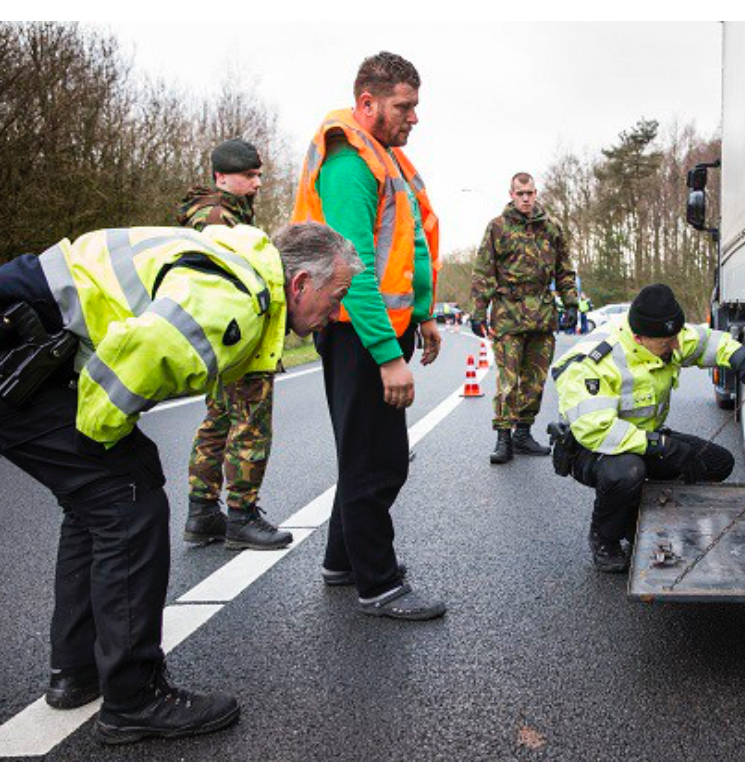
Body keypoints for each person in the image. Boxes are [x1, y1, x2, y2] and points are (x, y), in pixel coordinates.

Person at [0, 221, 361, 744]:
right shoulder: (232, 300)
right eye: (336, 295)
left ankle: (77, 672)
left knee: (96, 498)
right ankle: (134, 698)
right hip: (8, 347)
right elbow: (134, 360)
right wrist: (104, 446)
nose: (336, 311)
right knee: (125, 498)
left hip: (13, 331)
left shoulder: (242, 270)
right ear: (299, 283)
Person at [291, 51, 446, 620]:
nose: (414, 117)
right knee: (377, 462)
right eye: (404, 106)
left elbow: (412, 247)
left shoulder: (386, 160)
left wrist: (425, 314)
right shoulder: (350, 162)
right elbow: (349, 265)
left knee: (366, 455)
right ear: (368, 103)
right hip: (356, 329)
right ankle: (378, 585)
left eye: (415, 106)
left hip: (380, 327)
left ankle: (343, 561)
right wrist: (388, 356)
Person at [549, 284, 745, 572]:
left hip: (644, 439)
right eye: (665, 343)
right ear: (638, 337)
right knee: (627, 472)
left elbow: (707, 342)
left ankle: (641, 513)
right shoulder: (593, 363)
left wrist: (743, 360)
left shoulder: (665, 336)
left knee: (717, 463)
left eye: (674, 339)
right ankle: (604, 538)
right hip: (596, 449)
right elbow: (597, 430)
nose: (675, 347)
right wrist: (662, 446)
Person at [177, 138, 291, 550]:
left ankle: (203, 513)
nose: (257, 183)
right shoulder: (217, 218)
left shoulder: (219, 212)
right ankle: (241, 516)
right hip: (236, 335)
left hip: (219, 336)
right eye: (249, 175)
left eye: (259, 174)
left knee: (219, 421)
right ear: (221, 176)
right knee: (250, 425)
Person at [470, 172, 578, 465]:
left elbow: (564, 270)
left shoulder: (552, 227)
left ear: (536, 193)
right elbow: (484, 271)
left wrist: (571, 303)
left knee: (535, 380)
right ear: (511, 194)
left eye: (530, 193)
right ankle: (503, 437)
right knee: (508, 380)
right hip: (508, 314)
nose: (526, 198)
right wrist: (478, 311)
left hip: (542, 314)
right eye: (520, 193)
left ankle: (523, 434)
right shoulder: (497, 228)